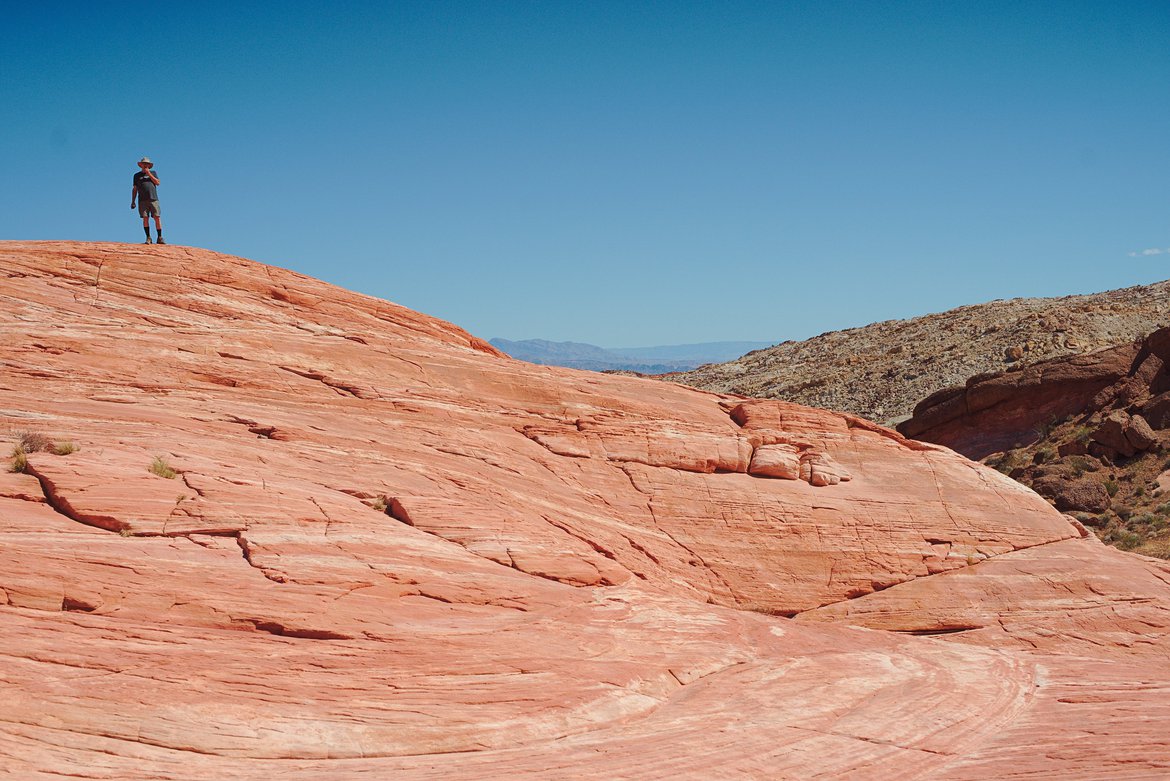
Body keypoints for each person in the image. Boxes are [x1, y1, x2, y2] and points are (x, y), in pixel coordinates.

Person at [131, 157, 165, 244]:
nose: (145, 165)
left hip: (153, 198)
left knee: (157, 217)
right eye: (144, 164)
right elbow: (135, 189)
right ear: (141, 165)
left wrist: (149, 174)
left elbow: (158, 182)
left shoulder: (153, 173)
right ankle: (148, 237)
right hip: (142, 200)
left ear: (149, 165)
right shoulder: (136, 176)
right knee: (145, 218)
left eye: (147, 164)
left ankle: (160, 237)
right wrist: (133, 201)